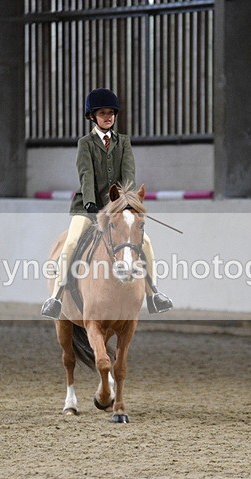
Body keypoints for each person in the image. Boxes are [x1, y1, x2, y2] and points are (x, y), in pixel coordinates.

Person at [41, 88, 173, 319]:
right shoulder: (86, 144)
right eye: (102, 113)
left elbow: (128, 174)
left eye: (111, 112)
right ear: (92, 116)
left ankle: (154, 294)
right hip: (87, 206)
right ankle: (56, 297)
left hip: (118, 208)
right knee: (71, 242)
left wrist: (127, 201)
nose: (108, 117)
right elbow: (86, 175)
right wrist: (92, 203)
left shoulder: (123, 142)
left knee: (147, 243)